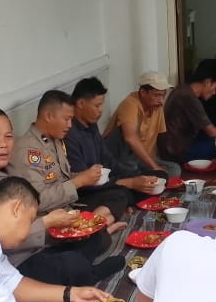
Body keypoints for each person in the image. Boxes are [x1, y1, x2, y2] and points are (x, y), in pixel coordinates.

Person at [0, 106, 124, 285]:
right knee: (71, 265)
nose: (3, 144)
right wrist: (46, 223)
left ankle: (79, 267)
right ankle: (87, 273)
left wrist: (61, 225)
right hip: (11, 263)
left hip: (33, 245)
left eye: (8, 136)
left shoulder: (3, 168)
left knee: (92, 236)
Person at [10, 90, 125, 281]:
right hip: (49, 222)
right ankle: (86, 264)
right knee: (96, 240)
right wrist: (79, 182)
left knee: (117, 197)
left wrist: (85, 176)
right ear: (48, 116)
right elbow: (38, 200)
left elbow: (61, 178)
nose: (70, 125)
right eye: (67, 119)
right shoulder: (28, 151)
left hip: (67, 208)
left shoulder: (54, 139)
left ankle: (96, 231)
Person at [66, 76, 162, 209]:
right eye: (97, 105)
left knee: (157, 178)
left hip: (107, 182)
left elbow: (110, 161)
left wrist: (138, 177)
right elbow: (83, 184)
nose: (101, 110)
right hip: (87, 192)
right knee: (120, 195)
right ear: (81, 103)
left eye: (102, 105)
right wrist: (130, 182)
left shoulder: (91, 124)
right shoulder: (69, 134)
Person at [103, 71, 181, 179]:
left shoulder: (156, 107)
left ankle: (138, 176)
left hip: (139, 160)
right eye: (157, 95)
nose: (161, 101)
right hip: (119, 159)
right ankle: (132, 176)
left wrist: (155, 165)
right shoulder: (130, 104)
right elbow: (130, 138)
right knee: (126, 136)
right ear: (143, 92)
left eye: (163, 95)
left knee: (174, 169)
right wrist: (154, 167)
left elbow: (154, 142)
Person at [159, 59, 216, 164]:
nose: (214, 92)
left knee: (211, 138)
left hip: (173, 145)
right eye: (214, 87)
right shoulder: (188, 98)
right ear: (207, 82)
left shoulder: (183, 89)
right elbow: (211, 131)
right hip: (176, 152)